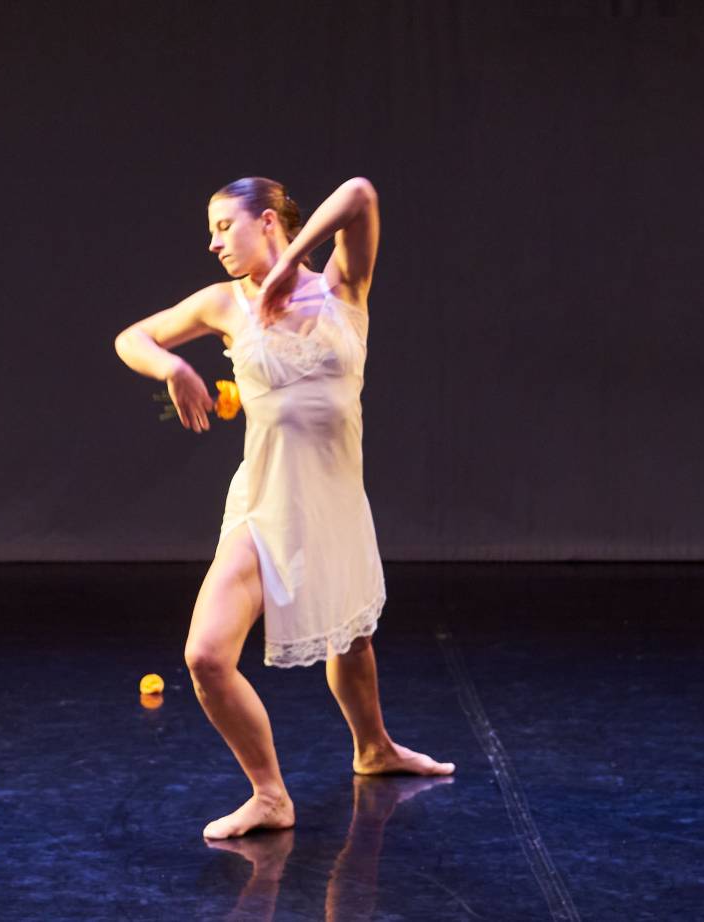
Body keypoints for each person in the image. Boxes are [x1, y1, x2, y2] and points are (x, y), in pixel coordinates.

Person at [113, 176, 455, 840]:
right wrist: (172, 369)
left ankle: (374, 749)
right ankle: (270, 794)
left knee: (349, 638)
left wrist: (295, 259)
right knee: (206, 655)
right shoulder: (223, 305)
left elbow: (359, 194)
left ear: (266, 221)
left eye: (222, 226)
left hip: (333, 503)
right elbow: (133, 337)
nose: (212, 242)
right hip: (264, 506)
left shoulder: (342, 287)